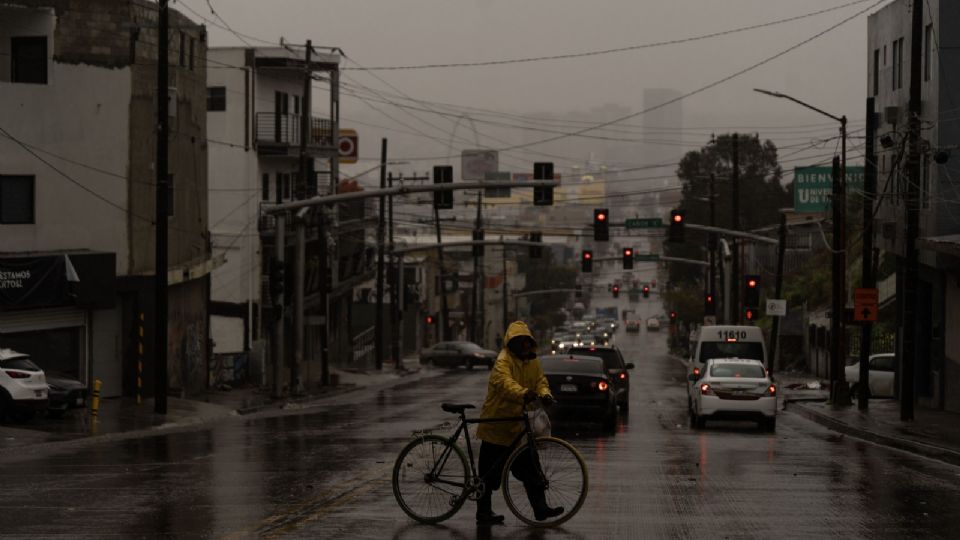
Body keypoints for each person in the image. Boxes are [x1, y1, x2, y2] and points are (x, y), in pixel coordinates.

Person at [474, 321, 563, 525]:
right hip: (496, 426)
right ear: (511, 343)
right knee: (489, 475)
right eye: (518, 341)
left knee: (532, 469)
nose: (523, 345)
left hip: (519, 428)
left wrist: (545, 394)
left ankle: (540, 509)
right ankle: (483, 513)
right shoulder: (503, 361)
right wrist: (524, 393)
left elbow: (541, 381)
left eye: (525, 341)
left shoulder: (533, 362)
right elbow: (504, 383)